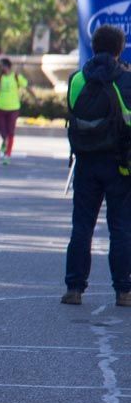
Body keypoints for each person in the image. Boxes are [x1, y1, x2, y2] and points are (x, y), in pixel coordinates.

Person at [61, 25, 131, 307]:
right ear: (119, 48)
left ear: (93, 46)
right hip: (120, 164)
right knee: (121, 228)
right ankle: (124, 290)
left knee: (82, 226)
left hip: (85, 162)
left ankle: (74, 288)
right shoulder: (126, 81)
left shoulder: (76, 79)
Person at [0, 58, 28, 165]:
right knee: (3, 131)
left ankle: (7, 154)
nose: (1, 68)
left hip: (13, 107)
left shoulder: (16, 76)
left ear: (8, 66)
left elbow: (26, 86)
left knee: (11, 132)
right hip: (0, 107)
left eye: (2, 66)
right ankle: (4, 142)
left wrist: (35, 98)